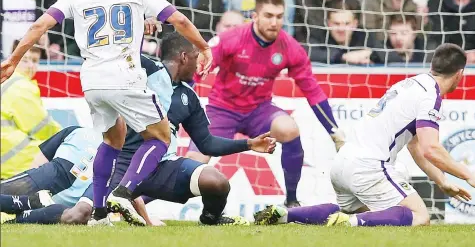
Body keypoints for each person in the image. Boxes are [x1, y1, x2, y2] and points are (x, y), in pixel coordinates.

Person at [0, 0, 213, 226]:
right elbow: (181, 22)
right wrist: (204, 47)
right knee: (161, 137)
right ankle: (124, 192)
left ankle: (99, 212)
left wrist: (13, 59)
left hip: (91, 81)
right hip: (125, 76)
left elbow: (40, 25)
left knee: (112, 141)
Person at [0, 32, 276, 226]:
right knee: (79, 216)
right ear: (182, 57)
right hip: (120, 166)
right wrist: (139, 27)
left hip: (161, 168)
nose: (200, 63)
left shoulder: (186, 97)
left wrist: (249, 144)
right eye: (195, 57)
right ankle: (21, 215)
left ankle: (211, 218)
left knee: (216, 181)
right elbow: (124, 53)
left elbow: (206, 144)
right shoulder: (144, 73)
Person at [254, 43, 475, 227]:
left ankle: (286, 214)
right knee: (420, 216)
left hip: (343, 162)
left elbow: (415, 146)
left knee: (347, 211)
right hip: (368, 166)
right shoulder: (430, 96)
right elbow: (430, 148)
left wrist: (442, 181)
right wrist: (469, 175)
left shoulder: (410, 84)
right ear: (460, 74)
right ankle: (349, 224)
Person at [186, 0, 346, 208]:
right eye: (268, 15)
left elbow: (313, 91)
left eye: (279, 17)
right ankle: (135, 200)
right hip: (221, 110)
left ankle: (291, 201)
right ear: (255, 16)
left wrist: (334, 131)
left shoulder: (289, 47)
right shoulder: (231, 39)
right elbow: (196, 71)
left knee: (289, 128)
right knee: (191, 168)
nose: (274, 22)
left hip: (258, 111)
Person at [1, 43, 61, 180]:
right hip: (14, 163)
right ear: (14, 60)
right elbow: (41, 128)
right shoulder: (20, 85)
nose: (30, 66)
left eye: (34, 61)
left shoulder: (7, 80)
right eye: (25, 60)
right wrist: (64, 136)